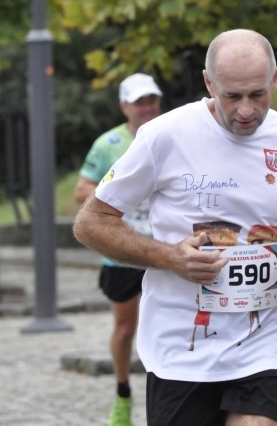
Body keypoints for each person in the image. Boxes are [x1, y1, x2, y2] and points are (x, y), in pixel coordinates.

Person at [73, 28, 277, 426]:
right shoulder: (163, 136)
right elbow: (90, 223)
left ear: (276, 78)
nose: (246, 109)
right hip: (182, 349)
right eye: (232, 96)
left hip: (266, 342)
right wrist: (170, 257)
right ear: (209, 82)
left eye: (258, 94)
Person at [74, 72, 162, 426]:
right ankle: (123, 393)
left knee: (167, 323)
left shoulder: (171, 134)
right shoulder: (108, 143)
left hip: (164, 250)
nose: (147, 108)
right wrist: (122, 191)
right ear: (125, 106)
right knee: (127, 329)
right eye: (139, 102)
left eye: (151, 100)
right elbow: (82, 190)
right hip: (122, 250)